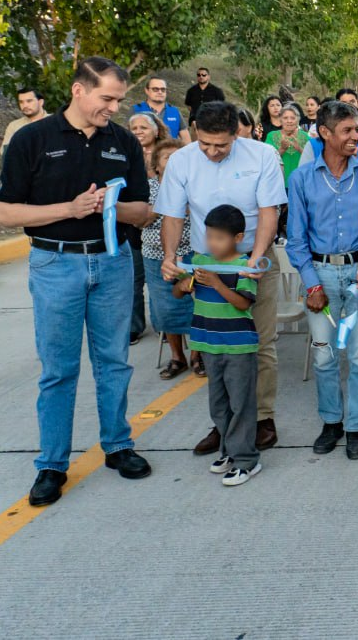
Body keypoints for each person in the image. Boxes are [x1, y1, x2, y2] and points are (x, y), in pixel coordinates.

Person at [0, 57, 154, 506]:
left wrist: (110, 205)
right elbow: (6, 213)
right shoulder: (32, 139)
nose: (114, 108)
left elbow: (143, 211)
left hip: (113, 262)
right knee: (59, 370)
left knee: (114, 361)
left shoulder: (122, 141)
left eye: (119, 100)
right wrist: (71, 208)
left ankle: (119, 446)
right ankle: (51, 465)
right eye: (107, 98)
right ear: (79, 91)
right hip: (55, 265)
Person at [157, 101, 287, 454]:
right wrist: (170, 258)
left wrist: (255, 261)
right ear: (196, 131)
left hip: (252, 260)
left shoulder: (261, 156)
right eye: (206, 144)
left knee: (258, 342)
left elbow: (267, 212)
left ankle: (261, 418)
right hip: (207, 264)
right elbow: (172, 214)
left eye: (222, 145)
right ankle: (225, 423)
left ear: (237, 133)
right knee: (216, 347)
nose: (213, 152)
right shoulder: (183, 160)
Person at [286, 101, 358, 461]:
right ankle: (331, 422)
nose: (357, 136)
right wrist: (312, 284)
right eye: (348, 131)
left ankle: (356, 426)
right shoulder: (301, 178)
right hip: (320, 274)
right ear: (325, 133)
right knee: (324, 354)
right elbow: (296, 239)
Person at [171, 204, 260, 485]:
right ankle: (228, 451)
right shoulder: (199, 260)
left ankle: (246, 460)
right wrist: (185, 285)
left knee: (241, 403)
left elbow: (243, 303)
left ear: (238, 237)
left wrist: (218, 283)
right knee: (218, 404)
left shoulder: (245, 266)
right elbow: (176, 291)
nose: (212, 243)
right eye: (209, 236)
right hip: (208, 344)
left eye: (219, 238)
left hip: (238, 347)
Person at [143, 139, 194, 380]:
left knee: (196, 305)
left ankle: (198, 355)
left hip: (192, 253)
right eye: (167, 157)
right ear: (157, 165)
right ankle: (177, 357)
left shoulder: (195, 184)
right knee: (165, 308)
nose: (173, 161)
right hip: (155, 256)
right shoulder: (148, 187)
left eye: (177, 156)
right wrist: (169, 202)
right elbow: (142, 220)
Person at [127, 111, 169, 342]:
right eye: (134, 129)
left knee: (159, 279)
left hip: (162, 224)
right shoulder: (126, 153)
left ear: (156, 130)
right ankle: (134, 325)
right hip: (133, 225)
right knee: (134, 279)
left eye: (143, 127)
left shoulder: (168, 152)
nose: (138, 132)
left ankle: (164, 324)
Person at [133, 76, 190, 143]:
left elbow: (187, 140)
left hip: (170, 152)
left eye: (163, 89)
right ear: (147, 90)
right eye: (155, 89)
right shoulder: (136, 110)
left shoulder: (175, 111)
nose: (160, 92)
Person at [264, 103, 309, 185]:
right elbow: (267, 160)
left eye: (293, 118)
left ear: (297, 120)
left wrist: (299, 148)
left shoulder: (305, 136)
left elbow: (311, 159)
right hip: (279, 182)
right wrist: (282, 149)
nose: (289, 121)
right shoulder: (271, 136)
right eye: (285, 118)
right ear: (280, 120)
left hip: (301, 182)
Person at [1, 87, 47, 157]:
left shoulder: (56, 122)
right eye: (21, 102)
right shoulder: (14, 126)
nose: (25, 105)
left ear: (40, 102)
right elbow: (6, 153)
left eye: (29, 101)